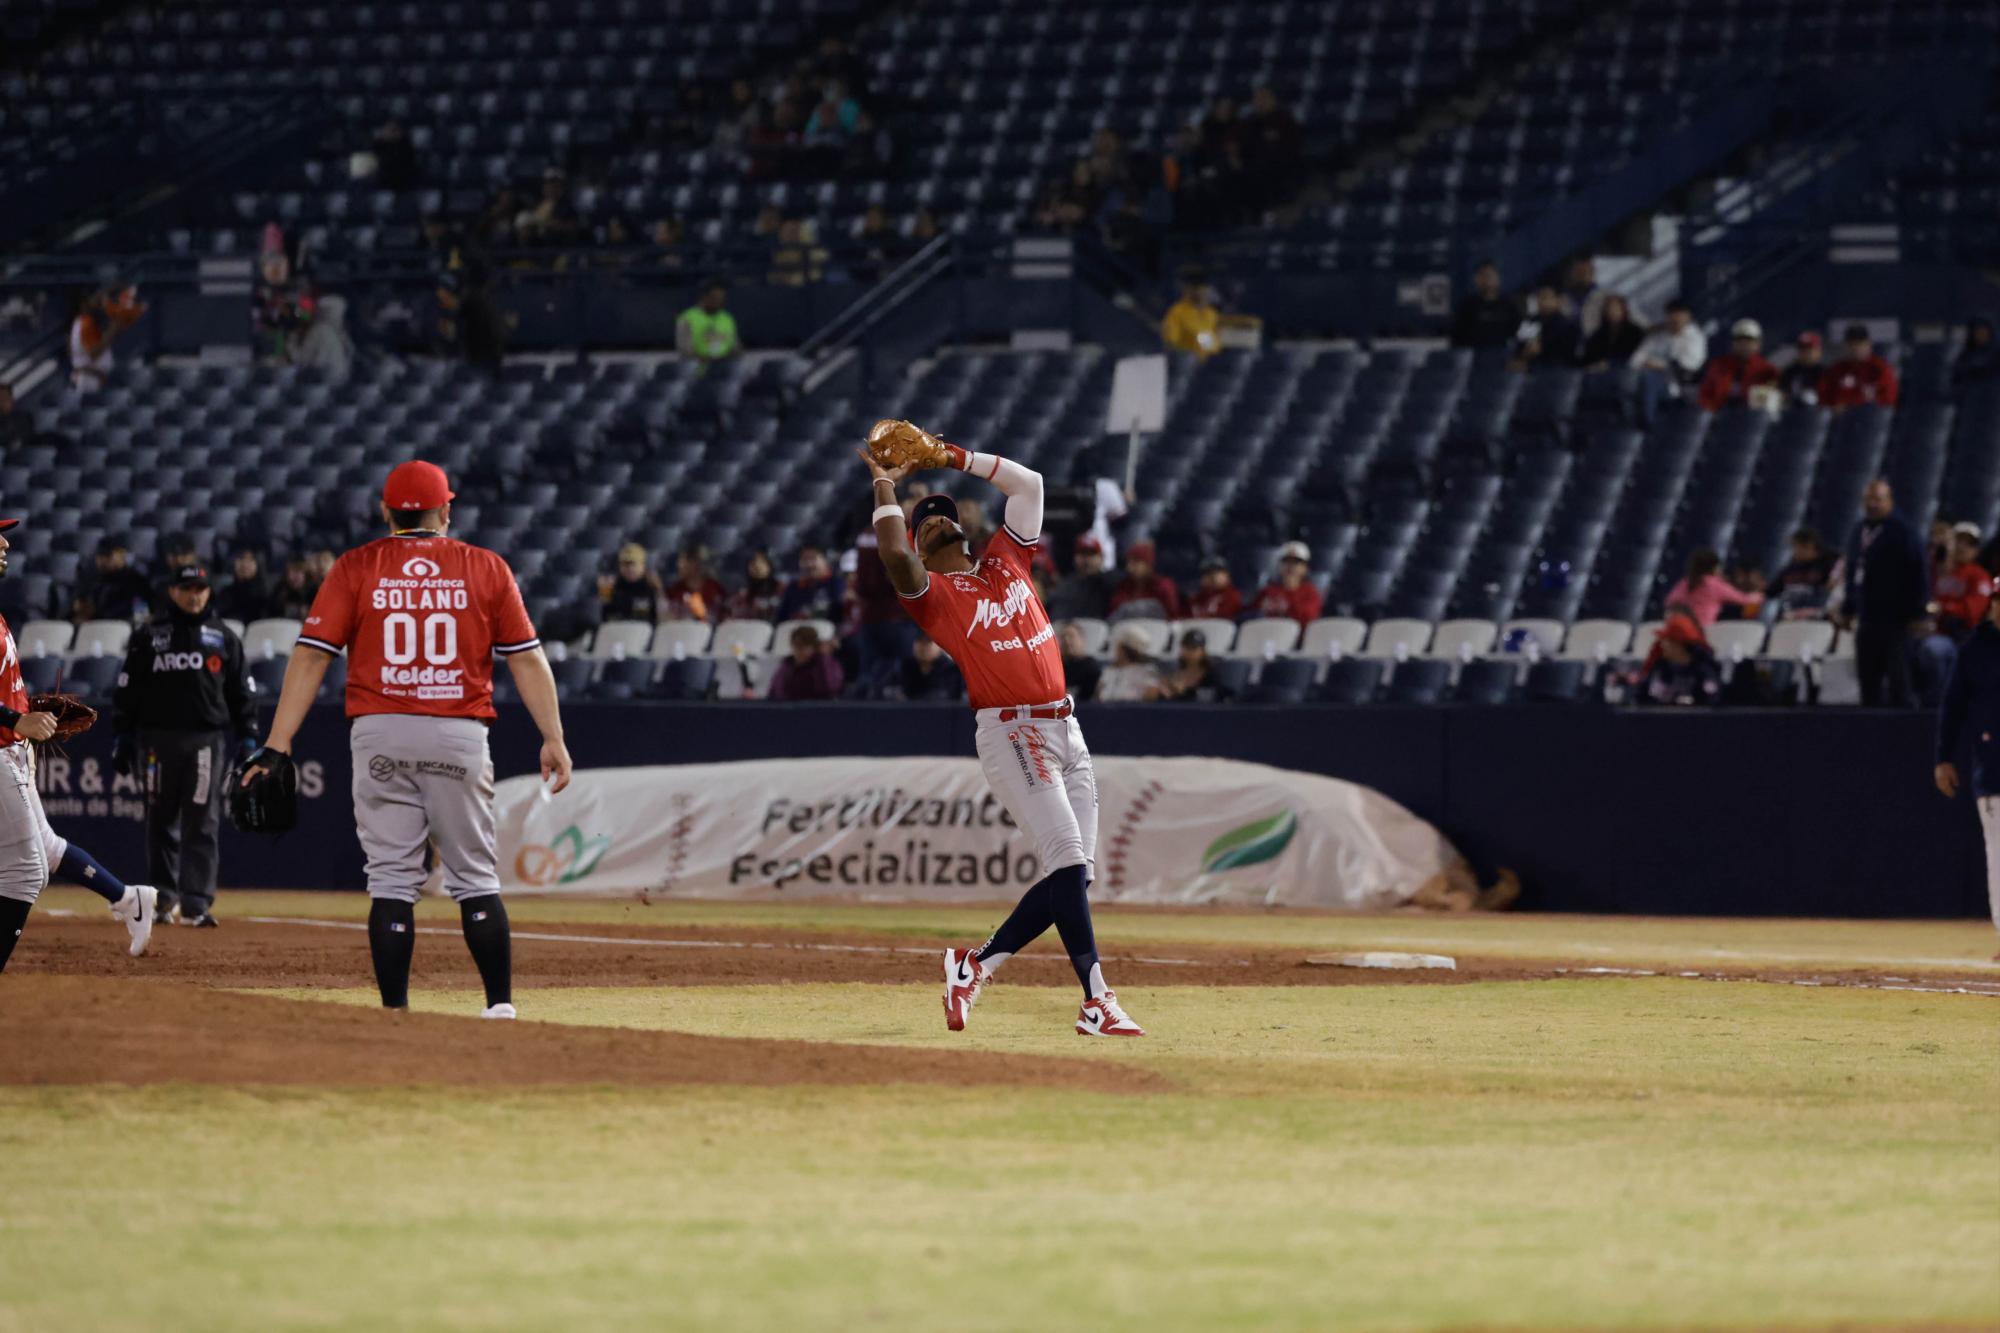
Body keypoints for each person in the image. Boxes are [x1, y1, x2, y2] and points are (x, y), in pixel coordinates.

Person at [240, 460, 573, 1018]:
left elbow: (310, 656)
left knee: (392, 877)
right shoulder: (485, 567)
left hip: (380, 731)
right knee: (473, 874)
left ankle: (395, 1011)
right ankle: (499, 1007)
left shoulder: (357, 566)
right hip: (457, 730)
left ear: (386, 512)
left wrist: (278, 742)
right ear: (447, 509)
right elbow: (528, 660)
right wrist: (553, 738)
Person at [858, 431, 1144, 1037]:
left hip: (1068, 730)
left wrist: (950, 456)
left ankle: (974, 966)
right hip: (1014, 735)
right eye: (924, 523)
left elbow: (1030, 484)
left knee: (1073, 876)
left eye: (944, 515)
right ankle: (1097, 999)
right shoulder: (933, 596)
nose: (937, 522)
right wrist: (884, 481)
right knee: (1067, 860)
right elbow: (891, 556)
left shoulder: (1008, 560)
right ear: (920, 545)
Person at [0, 516, 162, 970]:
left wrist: (24, 711)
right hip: (3, 746)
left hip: (11, 749)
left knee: (41, 855)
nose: (5, 542)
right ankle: (130, 899)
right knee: (28, 866)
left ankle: (129, 899)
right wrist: (17, 718)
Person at [111, 564, 254, 928]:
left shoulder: (223, 637)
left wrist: (248, 733)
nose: (196, 595)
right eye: (188, 588)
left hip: (205, 741)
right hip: (156, 741)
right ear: (173, 591)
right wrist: (122, 736)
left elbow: (242, 689)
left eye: (201, 589)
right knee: (160, 820)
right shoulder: (149, 635)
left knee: (202, 821)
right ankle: (162, 901)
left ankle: (195, 904)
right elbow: (128, 689)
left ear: (209, 592)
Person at [1934, 590, 2000, 957]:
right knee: (1999, 854)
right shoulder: (1976, 649)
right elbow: (1953, 705)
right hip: (1995, 766)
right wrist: (1944, 757)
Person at [1841, 479, 1930, 706]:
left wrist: (1919, 612)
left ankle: (1905, 734)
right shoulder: (1859, 530)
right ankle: (1870, 733)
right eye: (1869, 499)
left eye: (1878, 499)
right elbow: (1853, 571)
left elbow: (1917, 571)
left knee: (1899, 679)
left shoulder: (1903, 531)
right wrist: (1848, 606)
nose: (1872, 504)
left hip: (1896, 618)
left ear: (1889, 501)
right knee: (1867, 679)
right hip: (1867, 616)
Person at [1917, 525, 1995, 704]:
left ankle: (1938, 705)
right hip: (1931, 630)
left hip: (1961, 637)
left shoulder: (1979, 576)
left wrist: (1943, 608)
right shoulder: (1938, 571)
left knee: (1933, 650)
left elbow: (1971, 612)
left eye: (1970, 544)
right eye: (1959, 541)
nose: (1962, 547)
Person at [1630, 298, 1707, 419]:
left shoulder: (1695, 337)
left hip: (1680, 382)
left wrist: (1659, 364)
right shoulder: (1659, 335)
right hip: (1649, 377)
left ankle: (1646, 425)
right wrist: (1648, 364)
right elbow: (1635, 359)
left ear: (1688, 316)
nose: (1675, 318)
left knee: (1648, 380)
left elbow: (1690, 365)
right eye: (1671, 314)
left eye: (1680, 314)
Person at [1635, 606, 1722, 705]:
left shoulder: (1705, 670)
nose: (1662, 644)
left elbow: (1710, 701)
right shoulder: (1661, 667)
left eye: (1668, 640)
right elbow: (1644, 696)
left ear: (1680, 645)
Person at [1662, 548, 1762, 626]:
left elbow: (1669, 602)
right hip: (1704, 633)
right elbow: (1745, 599)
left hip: (1681, 631)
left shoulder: (1684, 582)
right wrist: (1761, 594)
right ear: (1715, 567)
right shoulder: (1714, 584)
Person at [1696, 319, 1778, 411]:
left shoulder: (1767, 371)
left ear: (1758, 344)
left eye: (1749, 341)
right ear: (1733, 343)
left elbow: (1767, 406)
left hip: (1750, 421)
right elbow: (1704, 396)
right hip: (1719, 419)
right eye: (1739, 340)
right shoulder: (1718, 366)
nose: (1744, 345)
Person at [1818, 324, 1899, 410]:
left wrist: (1854, 406)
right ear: (1846, 346)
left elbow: (1889, 401)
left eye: (1860, 344)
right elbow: (1823, 398)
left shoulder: (1880, 368)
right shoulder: (1836, 370)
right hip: (1840, 421)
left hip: (1870, 418)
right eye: (1852, 344)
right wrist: (1833, 408)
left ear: (1869, 345)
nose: (1856, 348)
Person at [71, 538, 151, 622]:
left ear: (121, 554)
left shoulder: (136, 580)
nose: (102, 560)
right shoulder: (93, 580)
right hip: (95, 627)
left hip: (123, 627)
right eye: (99, 556)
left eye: (108, 555)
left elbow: (142, 616)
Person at [1148, 628, 1234, 702]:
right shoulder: (1175, 669)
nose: (1189, 652)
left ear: (1202, 651)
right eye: (1186, 648)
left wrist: (1186, 692)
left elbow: (1213, 696)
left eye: (1194, 648)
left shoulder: (1212, 672)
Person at [1769, 528, 1836, 619]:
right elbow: (1770, 591)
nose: (1794, 551)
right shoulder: (1790, 568)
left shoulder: (1827, 565)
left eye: (1796, 547)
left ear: (1809, 545)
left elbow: (1833, 589)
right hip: (1789, 617)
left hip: (1816, 617)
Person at [1248, 541, 1323, 625]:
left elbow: (1308, 621)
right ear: (1280, 565)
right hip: (1267, 634)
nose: (1291, 566)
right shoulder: (1268, 591)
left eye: (1296, 562)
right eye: (1287, 561)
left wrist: (1291, 595)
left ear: (1305, 568)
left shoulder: (1310, 592)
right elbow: (1249, 616)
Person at [1045, 535, 1116, 621]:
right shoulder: (1066, 584)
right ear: (1075, 558)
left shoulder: (1109, 581)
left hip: (1097, 627)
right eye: (1082, 554)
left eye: (1091, 554)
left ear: (1101, 558)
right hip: (1064, 626)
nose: (1086, 559)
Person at [1450, 261, 1517, 351]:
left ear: (1498, 278)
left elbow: (1520, 331)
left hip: (1501, 356)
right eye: (1483, 276)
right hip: (1472, 356)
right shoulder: (1467, 305)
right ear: (1476, 279)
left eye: (1490, 276)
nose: (1487, 280)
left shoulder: (1508, 305)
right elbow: (1456, 335)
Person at [767, 623, 845, 700]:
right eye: (796, 645)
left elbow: (829, 688)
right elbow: (773, 693)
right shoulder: (786, 666)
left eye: (804, 646)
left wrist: (823, 658)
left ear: (814, 647)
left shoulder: (827, 665)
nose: (799, 651)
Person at [1108, 539, 1181, 618]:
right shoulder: (1124, 586)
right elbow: (1114, 615)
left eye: (1135, 562)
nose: (1129, 568)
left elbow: (1172, 617)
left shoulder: (1164, 586)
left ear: (1148, 564)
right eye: (1128, 562)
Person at [676, 281, 740, 369]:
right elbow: (686, 352)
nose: (719, 301)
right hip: (697, 375)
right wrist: (711, 361)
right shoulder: (687, 318)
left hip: (724, 371)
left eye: (722, 298)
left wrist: (733, 354)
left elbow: (735, 347)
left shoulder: (727, 318)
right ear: (704, 297)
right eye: (715, 298)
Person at [1517, 285, 1581, 370]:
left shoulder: (1567, 324)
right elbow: (1520, 343)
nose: (1544, 302)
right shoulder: (1530, 321)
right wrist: (1524, 354)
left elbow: (1567, 353)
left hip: (1556, 368)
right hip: (1530, 366)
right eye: (1541, 298)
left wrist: (1542, 349)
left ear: (1557, 300)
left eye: (1548, 298)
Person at [597, 543, 662, 624]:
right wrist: (605, 597)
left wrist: (660, 592)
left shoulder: (651, 587)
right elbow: (606, 618)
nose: (630, 569)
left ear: (643, 566)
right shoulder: (613, 587)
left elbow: (658, 618)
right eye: (625, 564)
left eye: (634, 564)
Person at [776, 546, 845, 623]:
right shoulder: (793, 587)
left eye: (813, 558)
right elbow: (782, 617)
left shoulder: (837, 583)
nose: (809, 564)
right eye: (804, 559)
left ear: (825, 560)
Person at [1095, 623, 1162, 702]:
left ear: (1127, 650)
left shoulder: (1148, 671)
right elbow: (1098, 698)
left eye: (1119, 648)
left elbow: (1150, 698)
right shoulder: (1108, 671)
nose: (1115, 652)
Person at [660, 544, 724, 622]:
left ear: (694, 563)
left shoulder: (714, 588)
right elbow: (666, 616)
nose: (678, 565)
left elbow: (720, 619)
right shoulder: (675, 590)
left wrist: (701, 613)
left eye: (682, 561)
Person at [293, 294, 353, 377]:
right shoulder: (324, 330)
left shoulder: (322, 330)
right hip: (331, 378)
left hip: (325, 379)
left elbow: (302, 358)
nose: (340, 318)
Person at [1578, 294, 1644, 369]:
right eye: (1609, 309)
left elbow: (1637, 357)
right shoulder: (1598, 335)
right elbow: (1588, 357)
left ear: (1623, 309)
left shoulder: (1636, 332)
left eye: (1616, 308)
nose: (1612, 312)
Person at [1161, 276, 1222, 357]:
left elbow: (1214, 341)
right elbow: (1171, 339)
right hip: (1186, 356)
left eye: (1205, 291)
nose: (1203, 294)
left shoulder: (1211, 314)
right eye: (1199, 290)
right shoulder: (1178, 312)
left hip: (1208, 359)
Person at [897, 634, 964, 701]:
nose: (924, 648)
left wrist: (910, 699)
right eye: (920, 642)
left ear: (939, 646)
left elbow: (943, 695)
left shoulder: (950, 668)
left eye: (928, 643)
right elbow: (892, 688)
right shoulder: (907, 665)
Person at [726, 549, 785, 621]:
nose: (757, 566)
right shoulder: (742, 593)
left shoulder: (783, 589)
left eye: (762, 562)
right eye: (753, 562)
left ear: (771, 565)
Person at [215, 549, 272, 624]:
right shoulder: (225, 593)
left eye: (250, 560)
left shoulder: (265, 596)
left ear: (259, 565)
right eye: (241, 558)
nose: (244, 564)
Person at [1186, 555, 1243, 620]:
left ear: (1227, 575)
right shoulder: (1196, 599)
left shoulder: (1233, 595)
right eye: (1208, 573)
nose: (1213, 576)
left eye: (1218, 572)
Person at [1058, 621, 1102, 702]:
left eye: (1071, 636)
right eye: (1063, 637)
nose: (1067, 641)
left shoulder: (1091, 666)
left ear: (1082, 639)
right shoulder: (1057, 668)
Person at [1779, 332, 1825, 407]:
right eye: (1802, 348)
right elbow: (1783, 393)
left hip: (1816, 413)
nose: (1805, 352)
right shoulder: (1789, 372)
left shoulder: (1825, 372)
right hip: (1792, 413)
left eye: (1809, 348)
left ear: (1818, 351)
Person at [1951, 316, 1998, 391]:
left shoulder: (1996, 354)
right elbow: (1957, 379)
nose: (1981, 335)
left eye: (1984, 332)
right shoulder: (1965, 355)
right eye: (1978, 332)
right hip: (1972, 396)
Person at [0, 385, 34, 453]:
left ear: (11, 399)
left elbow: (25, 438)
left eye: (4, 398)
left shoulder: (23, 418)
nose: (2, 402)